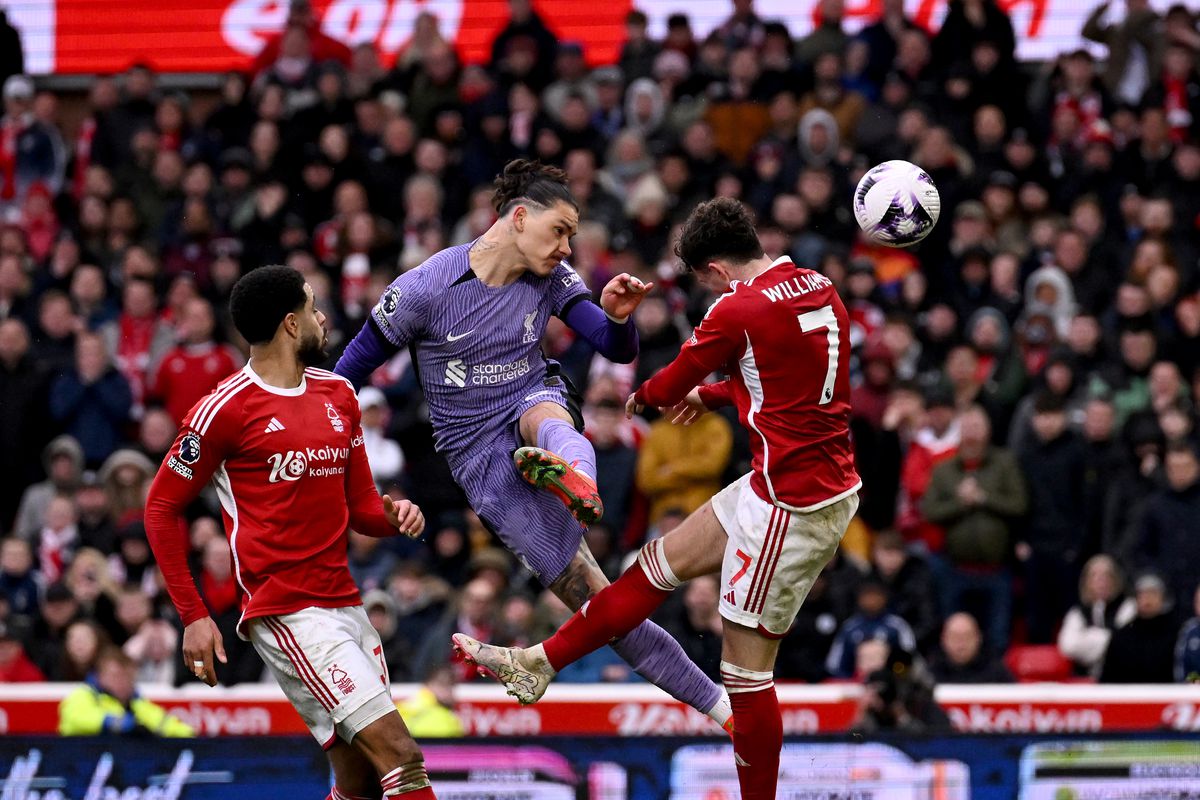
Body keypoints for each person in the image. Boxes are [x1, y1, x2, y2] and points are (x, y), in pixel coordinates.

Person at [453, 197, 861, 800]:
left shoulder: (735, 308)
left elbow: (667, 383)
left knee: (745, 678)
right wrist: (718, 397)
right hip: (791, 479)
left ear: (715, 271)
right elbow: (791, 378)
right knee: (650, 568)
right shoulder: (816, 284)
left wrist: (641, 395)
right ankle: (539, 661)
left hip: (792, 505)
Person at [335, 160, 732, 731]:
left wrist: (620, 319)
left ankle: (576, 479)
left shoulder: (550, 276)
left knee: (546, 419)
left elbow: (613, 347)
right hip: (475, 453)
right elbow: (346, 375)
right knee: (601, 608)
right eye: (561, 230)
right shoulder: (424, 289)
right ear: (519, 218)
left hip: (531, 393)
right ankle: (720, 707)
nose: (567, 246)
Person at [144, 265, 439, 800]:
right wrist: (193, 615)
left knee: (362, 783)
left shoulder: (340, 395)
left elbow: (363, 508)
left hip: (345, 605)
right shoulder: (223, 411)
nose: (322, 317)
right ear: (289, 323)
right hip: (287, 611)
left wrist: (394, 517)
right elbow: (161, 507)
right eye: (312, 306)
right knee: (402, 756)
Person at [58, 646, 192, 736]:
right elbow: (76, 718)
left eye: (127, 676)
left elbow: (167, 725)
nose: (122, 681)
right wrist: (115, 723)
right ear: (100, 676)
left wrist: (191, 735)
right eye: (116, 676)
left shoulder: (139, 705)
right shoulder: (85, 695)